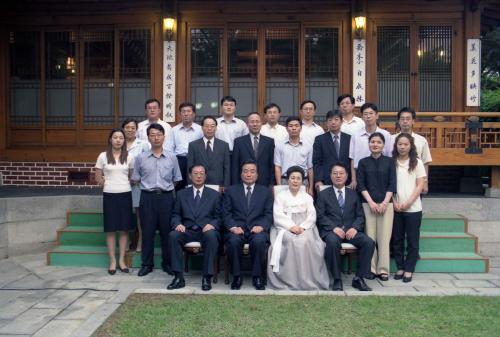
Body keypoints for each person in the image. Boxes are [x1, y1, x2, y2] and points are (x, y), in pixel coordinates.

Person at [132, 123, 183, 277]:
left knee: (167, 232)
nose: (156, 137)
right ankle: (147, 264)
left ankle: (167, 263)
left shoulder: (172, 157)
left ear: (163, 137)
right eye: (152, 135)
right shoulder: (140, 158)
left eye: (159, 134)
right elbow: (136, 179)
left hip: (167, 198)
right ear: (148, 137)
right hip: (147, 197)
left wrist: (164, 188)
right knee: (147, 232)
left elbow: (176, 179)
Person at [267, 166, 329, 290]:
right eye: (292, 178)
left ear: (302, 181)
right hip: (285, 227)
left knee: (305, 241)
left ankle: (307, 280)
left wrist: (302, 227)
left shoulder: (307, 197)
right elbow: (278, 215)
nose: (295, 181)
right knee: (291, 241)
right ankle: (290, 280)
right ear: (287, 180)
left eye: (298, 178)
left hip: (306, 227)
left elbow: (312, 215)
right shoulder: (281, 196)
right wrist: (291, 227)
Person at [316, 163, 375, 291]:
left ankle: (359, 278)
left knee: (369, 242)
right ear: (330, 176)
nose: (338, 176)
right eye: (335, 173)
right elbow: (320, 216)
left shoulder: (354, 194)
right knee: (332, 242)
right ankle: (337, 279)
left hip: (350, 231)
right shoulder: (322, 194)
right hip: (332, 231)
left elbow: (360, 216)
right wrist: (333, 228)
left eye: (341, 173)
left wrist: (354, 228)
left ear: (347, 176)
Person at [167, 164, 221, 291]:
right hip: (187, 230)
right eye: (195, 173)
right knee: (173, 235)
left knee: (212, 235)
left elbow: (219, 216)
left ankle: (207, 277)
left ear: (205, 176)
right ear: (190, 176)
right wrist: (177, 224)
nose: (198, 176)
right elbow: (175, 214)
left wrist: (212, 224)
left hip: (205, 230)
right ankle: (178, 277)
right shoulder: (181, 194)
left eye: (201, 173)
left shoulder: (214, 195)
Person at [223, 160, 273, 290]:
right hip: (237, 229)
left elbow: (269, 214)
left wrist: (261, 226)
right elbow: (226, 213)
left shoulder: (265, 192)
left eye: (252, 171)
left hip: (257, 229)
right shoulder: (231, 190)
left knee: (259, 241)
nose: (248, 174)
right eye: (245, 171)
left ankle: (257, 277)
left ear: (257, 174)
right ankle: (237, 277)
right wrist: (233, 227)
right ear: (241, 174)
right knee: (233, 242)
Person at [356, 132, 396, 281]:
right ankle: (371, 268)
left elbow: (392, 183)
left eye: (379, 142)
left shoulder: (390, 162)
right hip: (368, 204)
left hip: (387, 205)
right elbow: (361, 184)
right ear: (369, 144)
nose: (375, 144)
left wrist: (385, 202)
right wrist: (372, 202)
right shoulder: (363, 162)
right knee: (370, 238)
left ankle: (383, 270)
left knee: (384, 238)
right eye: (372, 142)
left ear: (383, 145)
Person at [94, 129, 135, 275]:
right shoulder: (103, 156)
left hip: (125, 195)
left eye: (121, 138)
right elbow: (98, 177)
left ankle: (122, 261)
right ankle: (112, 261)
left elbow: (131, 176)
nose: (118, 140)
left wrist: (122, 183)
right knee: (111, 229)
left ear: (124, 141)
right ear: (110, 139)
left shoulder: (129, 156)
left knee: (124, 229)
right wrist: (105, 182)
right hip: (109, 195)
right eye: (115, 137)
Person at [392, 133, 426, 283]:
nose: (402, 147)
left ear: (411, 146)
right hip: (396, 207)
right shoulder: (391, 162)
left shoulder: (417, 163)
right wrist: (394, 202)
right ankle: (400, 266)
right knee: (397, 239)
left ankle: (409, 269)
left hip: (413, 208)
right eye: (400, 144)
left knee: (412, 241)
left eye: (406, 144)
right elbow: (389, 185)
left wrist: (408, 203)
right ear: (396, 146)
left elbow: (420, 185)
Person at [349, 102, 393, 189]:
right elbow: (352, 158)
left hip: (381, 175)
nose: (368, 116)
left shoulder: (386, 135)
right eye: (365, 114)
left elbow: (389, 157)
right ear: (362, 117)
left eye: (371, 113)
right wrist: (353, 179)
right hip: (360, 174)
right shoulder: (355, 135)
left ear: (377, 116)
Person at [122, 119, 149, 252]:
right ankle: (126, 243)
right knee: (125, 214)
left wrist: (136, 178)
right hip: (121, 184)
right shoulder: (118, 142)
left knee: (140, 216)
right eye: (127, 127)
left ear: (136, 130)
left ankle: (140, 243)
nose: (130, 130)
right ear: (123, 129)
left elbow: (147, 163)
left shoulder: (143, 144)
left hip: (138, 184)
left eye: (133, 128)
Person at [394, 107, 432, 194]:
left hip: (416, 180)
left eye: (408, 119)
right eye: (402, 119)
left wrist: (425, 182)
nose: (405, 121)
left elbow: (425, 162)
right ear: (399, 121)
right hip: (397, 180)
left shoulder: (421, 140)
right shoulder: (392, 139)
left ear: (413, 121)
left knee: (415, 205)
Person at [166, 102, 203, 191]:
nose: (186, 114)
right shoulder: (174, 130)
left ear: (194, 114)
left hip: (196, 160)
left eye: (188, 111)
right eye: (183, 111)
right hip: (179, 161)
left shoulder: (200, 129)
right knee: (179, 187)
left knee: (195, 186)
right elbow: (168, 149)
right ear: (180, 114)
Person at [187, 116, 230, 190]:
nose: (209, 128)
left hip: (218, 185)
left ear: (216, 128)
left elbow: (227, 168)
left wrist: (225, 186)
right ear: (202, 128)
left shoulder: (224, 145)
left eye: (212, 126)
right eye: (206, 126)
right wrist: (190, 185)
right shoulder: (193, 145)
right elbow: (189, 167)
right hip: (198, 185)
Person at [313, 109, 352, 192]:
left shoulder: (349, 139)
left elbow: (352, 160)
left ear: (341, 122)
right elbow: (317, 162)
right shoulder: (320, 139)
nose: (333, 122)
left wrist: (353, 179)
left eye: (336, 119)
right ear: (327, 123)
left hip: (347, 180)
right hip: (326, 180)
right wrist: (319, 180)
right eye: (330, 120)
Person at [231, 112, 275, 186]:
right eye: (252, 122)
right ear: (247, 124)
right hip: (243, 182)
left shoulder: (269, 141)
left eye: (257, 121)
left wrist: (271, 184)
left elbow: (271, 164)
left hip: (264, 182)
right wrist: (235, 184)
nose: (255, 124)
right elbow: (235, 165)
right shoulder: (239, 141)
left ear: (261, 124)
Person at [274, 116, 314, 195]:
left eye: (296, 126)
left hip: (303, 180)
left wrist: (311, 188)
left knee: (303, 206)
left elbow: (310, 168)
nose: (294, 128)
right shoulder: (279, 145)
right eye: (291, 126)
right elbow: (277, 167)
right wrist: (279, 186)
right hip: (285, 180)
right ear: (286, 128)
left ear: (301, 128)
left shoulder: (308, 145)